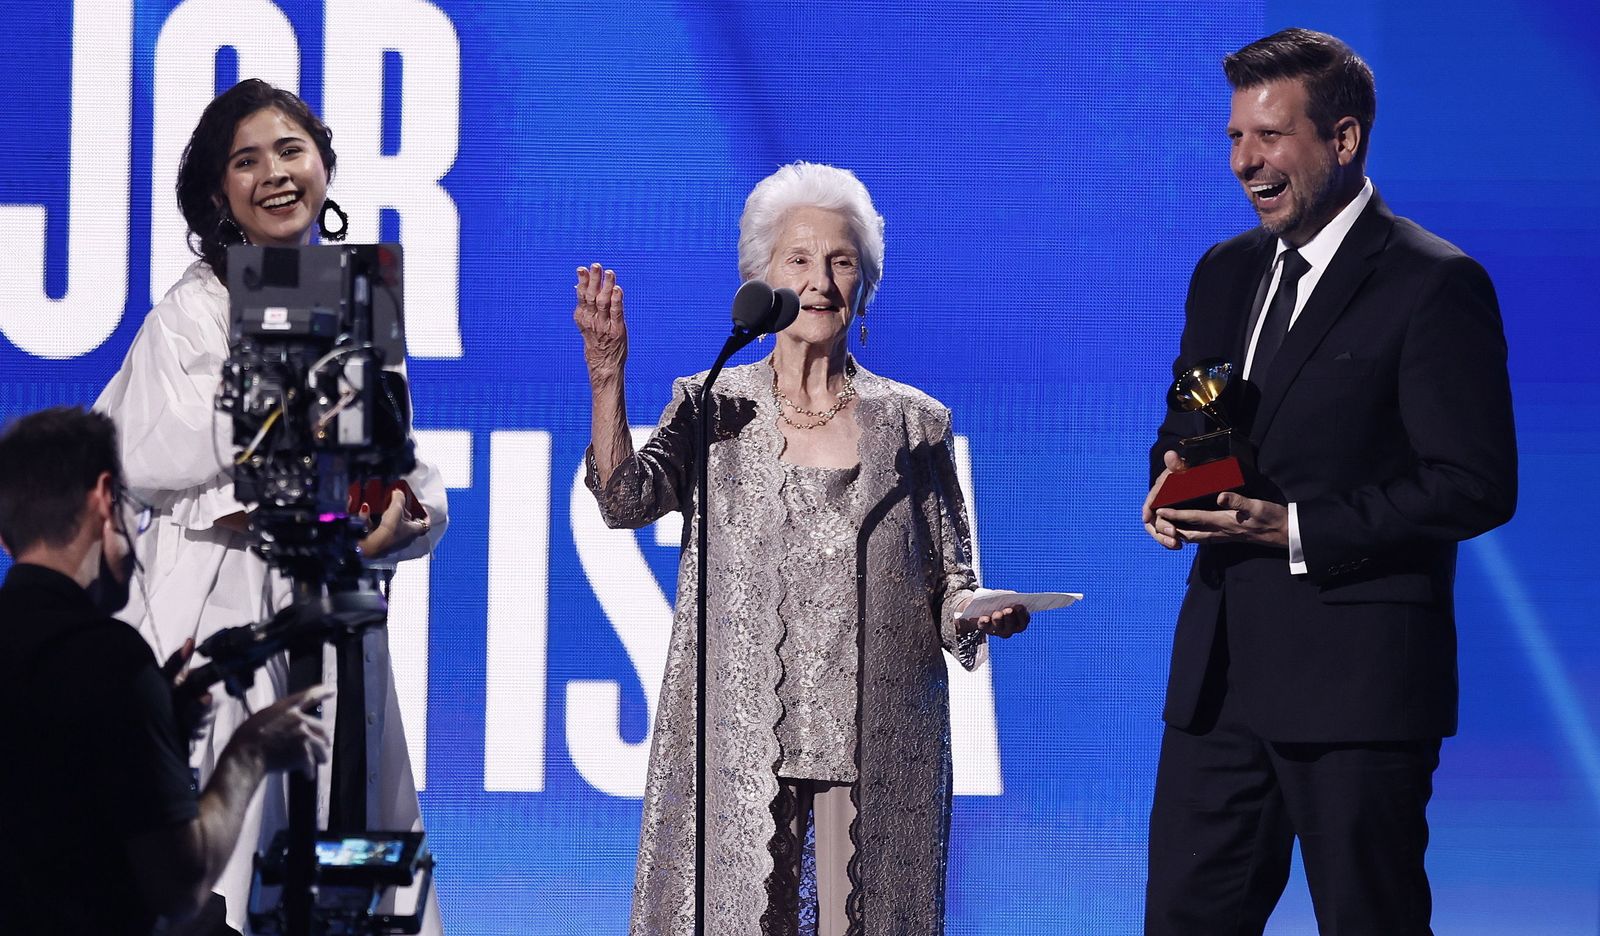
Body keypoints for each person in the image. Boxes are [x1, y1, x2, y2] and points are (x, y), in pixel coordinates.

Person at [576, 161, 1029, 936]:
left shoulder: (916, 423)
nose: (821, 281)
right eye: (800, 260)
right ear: (763, 279)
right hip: (741, 740)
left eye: (841, 261)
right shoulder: (712, 405)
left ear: (865, 283)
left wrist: (981, 613)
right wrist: (607, 377)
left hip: (878, 742)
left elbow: (951, 582)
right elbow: (625, 501)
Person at [1140, 29, 1517, 935]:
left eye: (1269, 137)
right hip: (1218, 686)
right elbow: (1188, 425)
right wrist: (1168, 485)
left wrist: (1296, 528)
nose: (1244, 162)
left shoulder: (1434, 284)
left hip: (1358, 692)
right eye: (1234, 137)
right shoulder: (1224, 273)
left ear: (1343, 141)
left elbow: (1475, 482)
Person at [94, 79, 447, 934]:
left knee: (354, 844)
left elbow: (385, 451)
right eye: (246, 161)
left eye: (291, 151)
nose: (276, 174)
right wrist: (273, 456)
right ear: (220, 195)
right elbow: (136, 449)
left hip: (339, 614)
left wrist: (403, 515)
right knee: (241, 859)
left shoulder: (356, 296)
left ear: (324, 162)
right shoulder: (192, 311)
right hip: (226, 617)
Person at [0, 405, 332, 936]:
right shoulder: (111, 662)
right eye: (136, 506)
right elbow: (178, 887)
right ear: (106, 499)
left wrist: (162, 738)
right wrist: (248, 754)